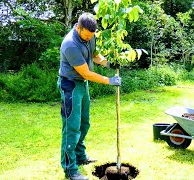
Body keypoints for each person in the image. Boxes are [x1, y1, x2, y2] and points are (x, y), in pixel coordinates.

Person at [57, 12, 121, 180]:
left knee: (84, 123)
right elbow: (86, 73)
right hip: (70, 85)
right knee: (71, 127)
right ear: (78, 28)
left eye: (91, 36)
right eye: (85, 35)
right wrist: (110, 80)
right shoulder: (70, 44)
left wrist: (108, 62)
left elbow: (94, 54)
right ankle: (70, 169)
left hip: (81, 85)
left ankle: (80, 156)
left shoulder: (90, 35)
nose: (88, 39)